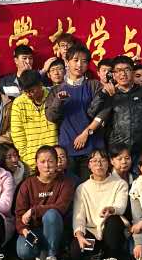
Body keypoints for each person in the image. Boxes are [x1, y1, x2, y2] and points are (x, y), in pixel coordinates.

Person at [14, 145, 75, 260]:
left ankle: (52, 255)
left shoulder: (66, 182)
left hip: (57, 229)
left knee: (51, 213)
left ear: (57, 163)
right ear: (36, 163)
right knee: (23, 252)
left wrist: (34, 210)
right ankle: (42, 251)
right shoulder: (27, 184)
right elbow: (19, 214)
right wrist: (25, 231)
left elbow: (61, 207)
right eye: (42, 161)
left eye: (50, 161)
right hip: (35, 229)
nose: (47, 165)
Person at [43, 44, 101, 177]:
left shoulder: (94, 85)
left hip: (91, 148)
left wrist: (86, 133)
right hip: (67, 149)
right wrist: (58, 100)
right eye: (75, 60)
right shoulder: (56, 90)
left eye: (84, 61)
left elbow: (103, 112)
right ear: (67, 62)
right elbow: (51, 117)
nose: (79, 64)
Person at [88, 55, 142, 158]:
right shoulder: (108, 93)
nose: (123, 74)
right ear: (113, 74)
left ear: (133, 72)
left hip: (141, 150)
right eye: (118, 70)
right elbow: (91, 112)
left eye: (127, 70)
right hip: (116, 151)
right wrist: (103, 94)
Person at [72, 147, 130, 260]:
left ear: (108, 163)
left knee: (114, 220)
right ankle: (97, 253)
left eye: (102, 160)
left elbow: (121, 206)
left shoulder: (120, 184)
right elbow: (79, 216)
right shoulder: (82, 188)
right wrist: (79, 235)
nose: (99, 164)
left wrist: (112, 209)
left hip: (111, 230)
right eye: (94, 161)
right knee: (75, 250)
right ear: (89, 165)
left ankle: (111, 257)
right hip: (92, 231)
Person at [8, 69, 58, 172]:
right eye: (25, 91)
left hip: (54, 159)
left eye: (31, 90)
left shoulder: (53, 97)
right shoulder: (18, 103)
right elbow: (17, 133)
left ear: (40, 85)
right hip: (30, 162)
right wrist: (26, 157)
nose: (29, 94)